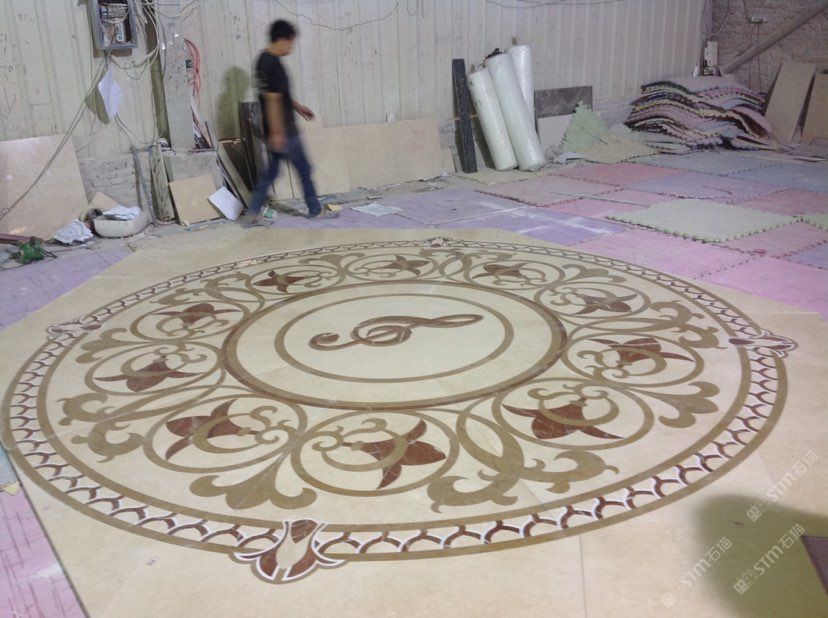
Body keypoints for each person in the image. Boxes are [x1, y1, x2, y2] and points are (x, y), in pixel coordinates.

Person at [242, 19, 334, 224]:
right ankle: (315, 210)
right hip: (284, 131)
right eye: (291, 43)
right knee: (304, 169)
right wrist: (278, 133)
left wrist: (297, 106)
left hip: (274, 129)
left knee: (271, 173)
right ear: (282, 39)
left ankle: (253, 210)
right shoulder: (273, 64)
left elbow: (277, 94)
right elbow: (272, 100)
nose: (291, 48)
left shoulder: (262, 59)